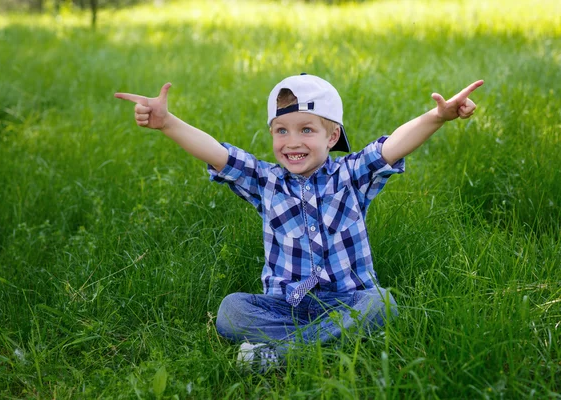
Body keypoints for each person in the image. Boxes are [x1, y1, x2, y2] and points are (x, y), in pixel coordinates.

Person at [115, 74, 483, 372]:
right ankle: (324, 343)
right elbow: (218, 153)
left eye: (307, 130)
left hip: (347, 301)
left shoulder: (351, 175)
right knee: (231, 310)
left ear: (332, 136)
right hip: (286, 306)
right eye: (282, 130)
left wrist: (437, 117)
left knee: (382, 304)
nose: (293, 142)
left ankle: (282, 354)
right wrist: (167, 123)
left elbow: (393, 145)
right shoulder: (265, 183)